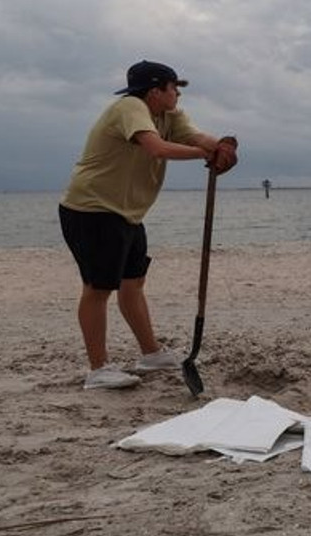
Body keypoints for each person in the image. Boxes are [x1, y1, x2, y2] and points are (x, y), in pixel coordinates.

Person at [59, 60, 239, 390]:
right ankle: (97, 370)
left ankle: (150, 354)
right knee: (98, 288)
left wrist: (224, 147)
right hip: (92, 208)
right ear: (155, 91)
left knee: (133, 283)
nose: (178, 95)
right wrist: (204, 154)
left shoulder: (170, 115)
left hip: (127, 212)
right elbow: (156, 148)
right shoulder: (130, 107)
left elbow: (198, 137)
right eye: (174, 89)